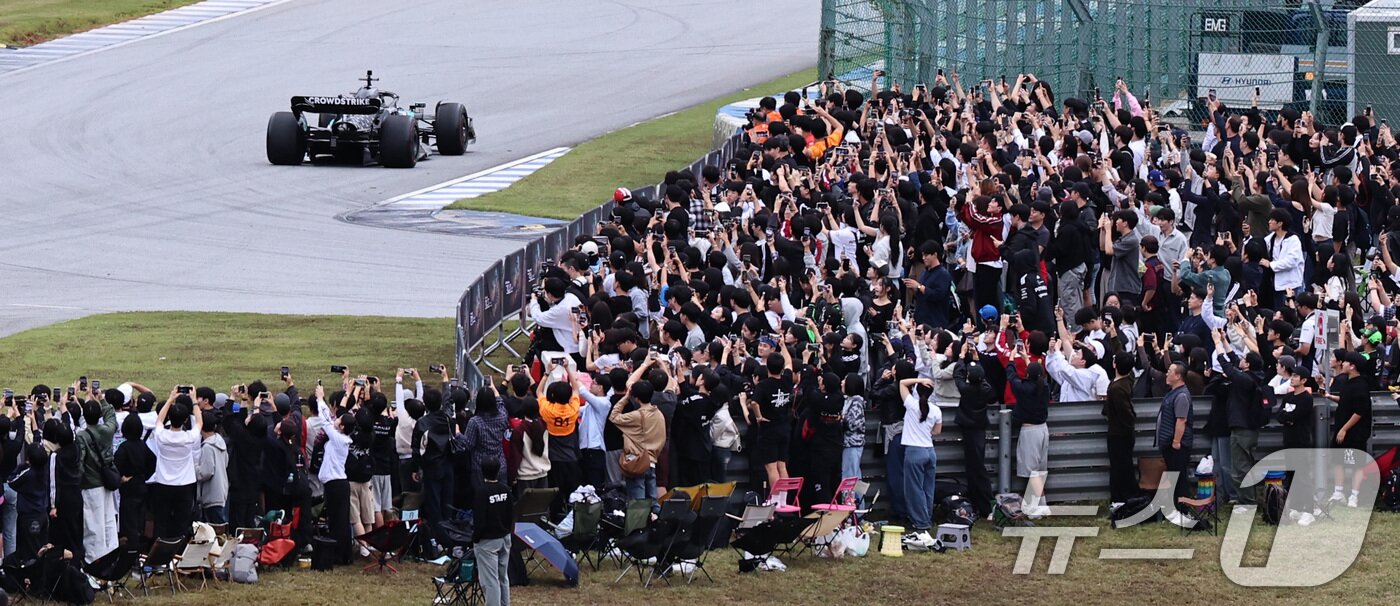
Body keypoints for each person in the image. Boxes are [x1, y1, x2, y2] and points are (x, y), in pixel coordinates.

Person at [898, 377, 942, 550]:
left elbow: (901, 383)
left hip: (914, 451)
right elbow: (937, 432)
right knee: (927, 488)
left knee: (913, 489)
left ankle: (921, 524)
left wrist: (919, 378)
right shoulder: (936, 410)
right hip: (929, 451)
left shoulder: (911, 405)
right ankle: (926, 519)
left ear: (917, 390)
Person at [1007, 345, 1050, 518]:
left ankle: (1033, 510)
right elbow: (1036, 374)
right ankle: (1042, 506)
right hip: (1043, 430)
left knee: (1032, 472)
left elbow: (1011, 377)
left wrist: (1011, 359)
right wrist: (1026, 359)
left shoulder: (1024, 389)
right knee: (1039, 470)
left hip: (1030, 430)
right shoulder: (1044, 386)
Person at [76, 389, 118, 563]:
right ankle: (112, 555)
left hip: (91, 484)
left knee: (93, 526)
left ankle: (95, 561)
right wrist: (102, 399)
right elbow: (112, 418)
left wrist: (77, 482)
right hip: (106, 481)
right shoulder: (107, 430)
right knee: (108, 521)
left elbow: (80, 462)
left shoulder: (82, 436)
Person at [609, 375, 666, 501]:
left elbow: (614, 416)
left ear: (636, 398)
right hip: (652, 461)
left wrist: (625, 398)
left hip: (637, 461)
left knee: (637, 502)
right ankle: (655, 519)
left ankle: (641, 520)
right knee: (652, 500)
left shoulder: (637, 416)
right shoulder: (658, 414)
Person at [1329, 351, 1373, 508]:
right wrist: (1330, 397)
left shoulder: (1361, 385)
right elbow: (1347, 401)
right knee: (1338, 461)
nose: (1343, 364)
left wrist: (1345, 429)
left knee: (1357, 464)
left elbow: (1360, 411)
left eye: (1346, 362)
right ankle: (1338, 492)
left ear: (1353, 366)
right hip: (1343, 429)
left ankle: (1354, 495)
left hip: (1355, 433)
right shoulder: (1348, 382)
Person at [1157, 363, 1196, 527]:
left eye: (1170, 372)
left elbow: (1181, 420)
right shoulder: (1173, 393)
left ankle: (1184, 510)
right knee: (1172, 476)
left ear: (1178, 376)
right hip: (1168, 442)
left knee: (1179, 478)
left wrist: (1176, 442)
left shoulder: (1181, 396)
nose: (1167, 374)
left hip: (1177, 444)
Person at [473, 458, 512, 606]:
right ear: (499, 470)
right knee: (503, 577)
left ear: (482, 471)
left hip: (488, 541)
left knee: (490, 581)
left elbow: (479, 521)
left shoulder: (481, 492)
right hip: (504, 537)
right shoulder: (506, 490)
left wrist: (476, 538)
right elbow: (510, 515)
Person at [1104, 352, 1138, 504]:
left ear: (1115, 365)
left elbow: (1126, 414)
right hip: (1122, 433)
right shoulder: (1127, 380)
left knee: (1119, 467)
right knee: (1123, 465)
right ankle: (1124, 496)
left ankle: (1120, 498)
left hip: (1119, 433)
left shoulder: (1117, 388)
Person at [195, 411, 229, 525]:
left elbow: (206, 472)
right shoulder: (220, 441)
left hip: (212, 495)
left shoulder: (208, 447)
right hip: (221, 491)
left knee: (216, 529)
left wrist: (193, 467)